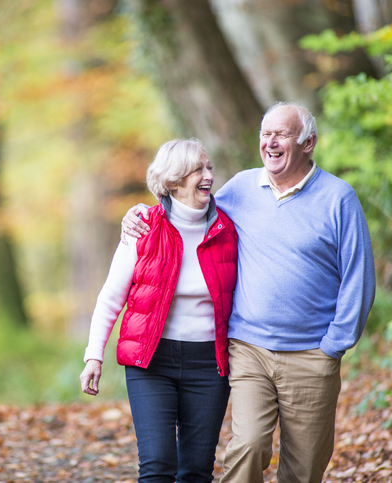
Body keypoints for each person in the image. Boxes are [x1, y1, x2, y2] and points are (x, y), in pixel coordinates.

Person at [121, 102, 376, 483]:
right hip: (248, 348)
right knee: (249, 447)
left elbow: (359, 277)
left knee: (304, 467)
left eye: (282, 134)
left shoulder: (338, 199)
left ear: (309, 143)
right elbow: (188, 211)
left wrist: (334, 346)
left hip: (311, 354)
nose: (270, 143)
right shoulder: (240, 188)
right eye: (265, 134)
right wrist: (142, 213)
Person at [80, 138, 238, 483]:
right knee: (157, 464)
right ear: (173, 181)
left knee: (196, 469)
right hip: (152, 363)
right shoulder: (143, 227)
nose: (208, 174)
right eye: (198, 169)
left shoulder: (229, 228)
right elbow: (110, 298)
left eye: (209, 166)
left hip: (209, 365)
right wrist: (94, 356)